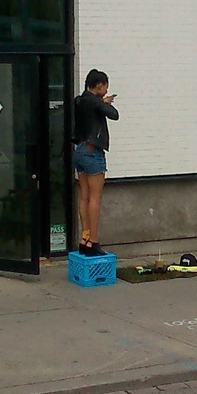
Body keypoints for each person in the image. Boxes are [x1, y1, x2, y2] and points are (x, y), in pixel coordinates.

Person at [73, 69, 119, 256]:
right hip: (93, 152)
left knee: (84, 196)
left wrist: (100, 102)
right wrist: (103, 102)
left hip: (80, 151)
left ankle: (84, 239)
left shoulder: (80, 100)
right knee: (95, 198)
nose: (107, 91)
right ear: (100, 85)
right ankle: (94, 242)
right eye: (105, 87)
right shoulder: (95, 101)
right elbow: (114, 114)